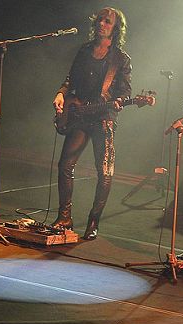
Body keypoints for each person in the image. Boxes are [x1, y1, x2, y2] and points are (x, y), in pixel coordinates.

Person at [51, 6, 131, 240]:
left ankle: (93, 221)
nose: (101, 24)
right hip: (80, 115)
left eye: (107, 22)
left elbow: (126, 92)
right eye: (99, 20)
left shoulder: (121, 59)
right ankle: (64, 217)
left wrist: (119, 102)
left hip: (103, 118)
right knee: (65, 165)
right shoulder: (84, 51)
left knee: (104, 172)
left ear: (115, 29)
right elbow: (70, 80)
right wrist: (60, 93)